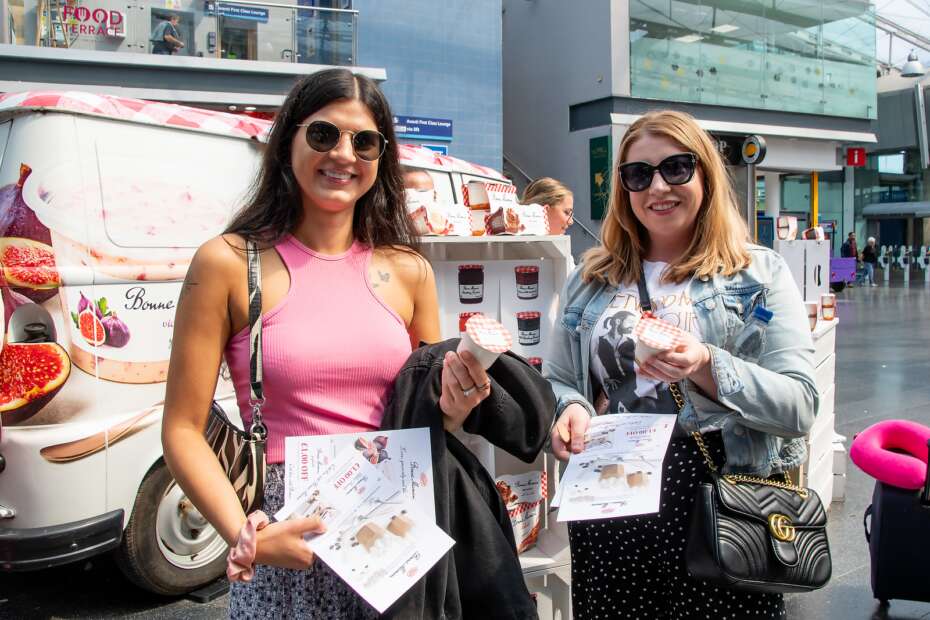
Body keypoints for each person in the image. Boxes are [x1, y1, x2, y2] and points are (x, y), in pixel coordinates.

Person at [161, 68, 493, 618]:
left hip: (396, 533)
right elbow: (181, 427)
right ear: (287, 138)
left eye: (365, 142)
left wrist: (457, 404)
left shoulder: (409, 270)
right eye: (323, 134)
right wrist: (245, 534)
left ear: (381, 159)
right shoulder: (225, 261)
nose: (344, 153)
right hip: (287, 537)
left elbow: (429, 414)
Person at [545, 110, 818, 619]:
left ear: (705, 175)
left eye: (676, 168)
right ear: (623, 188)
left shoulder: (757, 273)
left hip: (717, 501)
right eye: (638, 174)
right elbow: (559, 380)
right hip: (610, 497)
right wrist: (572, 408)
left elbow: (799, 405)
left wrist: (705, 362)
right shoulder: (590, 278)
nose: (658, 187)